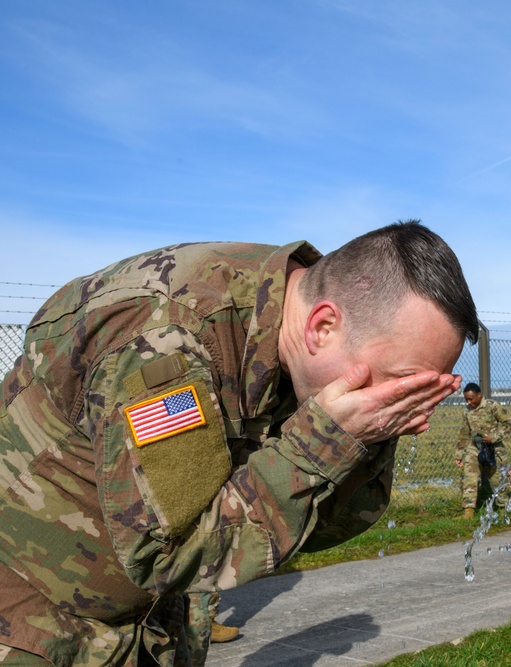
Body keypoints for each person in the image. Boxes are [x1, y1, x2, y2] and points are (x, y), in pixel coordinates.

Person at [0, 220, 478, 665]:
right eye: (402, 383)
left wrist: (366, 439)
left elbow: (310, 531)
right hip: (33, 626)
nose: (408, 404)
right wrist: (323, 447)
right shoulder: (167, 338)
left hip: (144, 630)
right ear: (323, 327)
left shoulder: (298, 352)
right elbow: (170, 552)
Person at [454, 382, 511, 519]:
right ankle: (468, 512)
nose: (469, 402)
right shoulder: (467, 410)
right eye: (466, 399)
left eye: (471, 399)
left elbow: (508, 424)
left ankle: (503, 510)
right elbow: (464, 433)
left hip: (494, 450)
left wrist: (494, 437)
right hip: (475, 449)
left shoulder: (492, 406)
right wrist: (459, 454)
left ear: (479, 395)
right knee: (470, 477)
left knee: (497, 480)